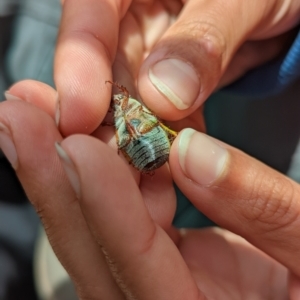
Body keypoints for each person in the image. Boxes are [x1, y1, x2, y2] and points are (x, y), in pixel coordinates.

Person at [1, 0, 300, 298]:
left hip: (151, 154)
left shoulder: (126, 110)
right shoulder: (124, 110)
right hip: (149, 150)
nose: (119, 100)